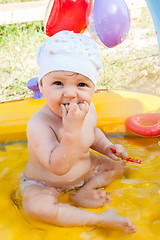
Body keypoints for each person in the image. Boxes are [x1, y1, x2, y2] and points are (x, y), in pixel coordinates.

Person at [20, 31, 136, 233]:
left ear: (94, 89)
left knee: (119, 165)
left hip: (86, 171)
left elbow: (93, 133)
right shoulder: (39, 123)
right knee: (37, 208)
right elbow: (58, 167)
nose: (71, 93)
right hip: (45, 183)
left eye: (82, 84)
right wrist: (71, 130)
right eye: (58, 83)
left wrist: (107, 147)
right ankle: (99, 218)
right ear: (42, 85)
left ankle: (85, 192)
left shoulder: (88, 109)